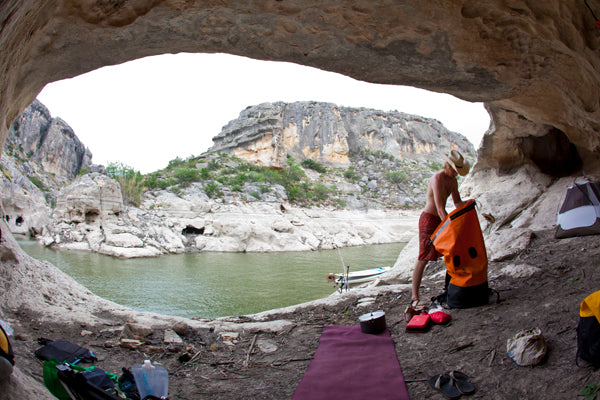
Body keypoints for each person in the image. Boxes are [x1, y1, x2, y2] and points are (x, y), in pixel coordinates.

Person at [410, 150, 471, 309]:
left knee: (451, 251)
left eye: (458, 172)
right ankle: (414, 297)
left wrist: (468, 205)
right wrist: (450, 227)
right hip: (429, 219)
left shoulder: (453, 180)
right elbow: (439, 208)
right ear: (448, 165)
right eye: (454, 171)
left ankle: (450, 288)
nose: (456, 174)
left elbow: (457, 203)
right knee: (423, 257)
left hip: (440, 218)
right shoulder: (437, 179)